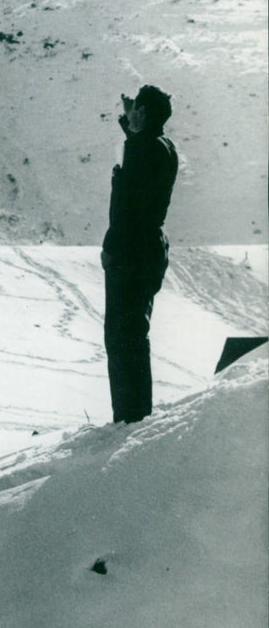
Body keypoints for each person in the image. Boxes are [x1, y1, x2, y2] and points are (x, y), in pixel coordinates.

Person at [101, 85, 178, 424]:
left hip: (130, 250)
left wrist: (110, 247)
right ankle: (133, 415)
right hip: (146, 249)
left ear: (144, 113)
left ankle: (130, 418)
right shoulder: (162, 146)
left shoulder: (145, 148)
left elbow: (128, 206)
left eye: (135, 109)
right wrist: (131, 127)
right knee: (131, 332)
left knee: (122, 335)